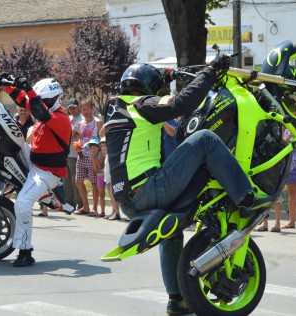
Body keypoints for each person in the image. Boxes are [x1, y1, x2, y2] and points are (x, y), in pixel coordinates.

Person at [105, 61, 273, 315]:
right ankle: (246, 198)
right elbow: (180, 104)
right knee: (205, 139)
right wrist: (210, 71)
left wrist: (166, 76)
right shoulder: (142, 105)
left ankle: (177, 299)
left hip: (128, 201)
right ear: (148, 88)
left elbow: (162, 101)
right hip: (150, 188)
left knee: (171, 235)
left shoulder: (116, 106)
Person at [2, 77, 71, 267]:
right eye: (42, 101)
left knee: (22, 203)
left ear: (56, 98)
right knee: (3, 136)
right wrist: (4, 83)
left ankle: (25, 251)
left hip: (46, 172)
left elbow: (39, 109)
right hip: (32, 158)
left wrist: (29, 90)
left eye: (46, 101)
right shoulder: (44, 108)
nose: (42, 104)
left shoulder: (61, 119)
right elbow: (22, 99)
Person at [73, 100, 103, 215]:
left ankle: (94, 208)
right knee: (78, 181)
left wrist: (98, 155)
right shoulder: (80, 123)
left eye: (87, 108)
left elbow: (102, 139)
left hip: (93, 156)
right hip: (81, 155)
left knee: (94, 182)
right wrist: (78, 146)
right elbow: (81, 138)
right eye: (83, 109)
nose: (85, 111)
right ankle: (85, 206)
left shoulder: (98, 122)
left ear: (92, 109)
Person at [65, 99, 83, 209]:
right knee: (66, 179)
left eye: (74, 107)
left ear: (78, 107)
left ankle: (79, 203)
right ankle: (69, 202)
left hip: (75, 153)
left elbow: (71, 134)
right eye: (70, 108)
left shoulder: (81, 119)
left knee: (75, 179)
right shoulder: (69, 119)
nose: (72, 110)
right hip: (66, 153)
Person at [87, 138, 107, 218]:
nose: (92, 150)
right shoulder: (92, 156)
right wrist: (93, 158)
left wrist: (94, 158)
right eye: (91, 148)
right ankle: (102, 212)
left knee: (109, 193)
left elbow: (100, 166)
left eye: (94, 148)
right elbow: (95, 169)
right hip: (99, 176)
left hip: (105, 174)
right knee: (101, 194)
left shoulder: (101, 154)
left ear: (98, 148)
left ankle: (114, 211)